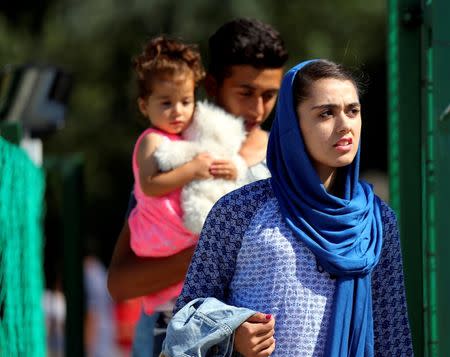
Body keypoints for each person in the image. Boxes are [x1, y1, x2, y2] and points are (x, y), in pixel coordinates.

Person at [173, 60, 413, 356]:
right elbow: (187, 314)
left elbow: (393, 335)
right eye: (326, 113)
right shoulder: (240, 210)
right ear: (292, 125)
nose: (345, 125)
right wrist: (232, 333)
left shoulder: (376, 220)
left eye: (353, 110)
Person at [107, 18, 288, 356]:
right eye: (246, 92)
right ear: (213, 85)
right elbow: (121, 282)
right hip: (167, 334)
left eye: (270, 95)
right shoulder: (173, 153)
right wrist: (205, 255)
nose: (258, 109)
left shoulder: (285, 163)